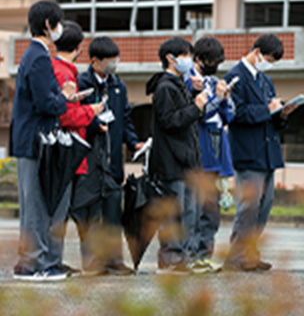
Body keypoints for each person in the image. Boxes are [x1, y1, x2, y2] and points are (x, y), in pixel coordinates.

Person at [11, 1, 76, 281]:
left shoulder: (34, 55)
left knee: (38, 203)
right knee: (36, 205)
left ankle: (39, 262)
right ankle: (32, 264)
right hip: (35, 142)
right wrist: (65, 97)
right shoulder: (38, 57)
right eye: (57, 22)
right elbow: (45, 103)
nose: (59, 28)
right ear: (48, 25)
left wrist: (60, 97)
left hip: (33, 140)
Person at [223, 34, 297, 272]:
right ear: (256, 52)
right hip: (247, 152)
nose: (269, 63)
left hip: (267, 152)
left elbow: (270, 118)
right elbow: (236, 114)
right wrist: (267, 109)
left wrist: (282, 114)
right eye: (268, 58)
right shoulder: (235, 77)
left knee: (264, 206)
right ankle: (236, 255)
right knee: (249, 206)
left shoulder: (266, 80)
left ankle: (251, 253)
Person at [78, 36, 144, 275]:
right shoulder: (81, 83)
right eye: (109, 60)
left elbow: (125, 118)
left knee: (113, 211)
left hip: (113, 158)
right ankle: (94, 262)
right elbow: (76, 117)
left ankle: (115, 260)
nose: (114, 64)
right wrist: (94, 126)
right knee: (92, 213)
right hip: (90, 158)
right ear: (95, 61)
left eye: (116, 59)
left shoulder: (118, 85)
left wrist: (133, 141)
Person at [145, 37, 208, 274]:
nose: (188, 60)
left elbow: (186, 120)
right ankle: (170, 259)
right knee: (175, 213)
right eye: (184, 55)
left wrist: (196, 102)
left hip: (186, 162)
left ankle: (182, 257)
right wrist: (196, 106)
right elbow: (170, 121)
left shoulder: (180, 84)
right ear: (170, 59)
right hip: (172, 162)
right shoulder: (165, 87)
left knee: (189, 212)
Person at [51, 21, 107, 276]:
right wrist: (91, 111)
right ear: (78, 48)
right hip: (68, 151)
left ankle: (53, 260)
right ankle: (52, 261)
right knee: (62, 211)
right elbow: (66, 116)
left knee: (61, 211)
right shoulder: (64, 72)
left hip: (63, 150)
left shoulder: (56, 67)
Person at [184, 37, 235, 273]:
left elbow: (229, 116)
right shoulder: (188, 82)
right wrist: (215, 98)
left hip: (218, 144)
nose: (215, 65)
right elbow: (199, 114)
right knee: (195, 208)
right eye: (211, 61)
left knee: (211, 209)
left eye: (218, 61)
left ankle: (205, 254)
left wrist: (224, 99)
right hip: (199, 146)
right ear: (198, 59)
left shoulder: (214, 81)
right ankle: (191, 256)